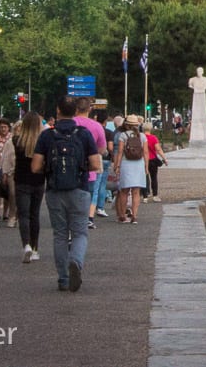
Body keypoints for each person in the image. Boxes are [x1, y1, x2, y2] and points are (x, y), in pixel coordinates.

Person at [30, 96, 100, 292]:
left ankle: (63, 278)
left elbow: (35, 166)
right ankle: (76, 261)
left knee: (60, 234)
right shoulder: (84, 134)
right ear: (76, 111)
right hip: (79, 189)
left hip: (54, 190)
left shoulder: (47, 136)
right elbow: (95, 164)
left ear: (58, 111)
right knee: (79, 233)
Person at [5, 113, 45, 263]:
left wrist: (7, 173)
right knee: (35, 214)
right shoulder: (41, 141)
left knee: (23, 215)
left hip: (21, 181)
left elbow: (8, 160)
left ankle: (26, 245)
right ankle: (35, 249)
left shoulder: (16, 140)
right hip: (38, 180)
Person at [72, 98, 107, 230]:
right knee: (88, 197)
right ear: (90, 109)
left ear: (75, 108)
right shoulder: (96, 126)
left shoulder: (69, 123)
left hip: (67, 169)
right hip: (89, 169)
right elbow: (102, 150)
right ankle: (86, 219)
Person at [112, 116, 148, 224]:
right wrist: (146, 167)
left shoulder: (123, 135)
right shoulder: (142, 136)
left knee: (124, 191)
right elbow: (145, 152)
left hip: (126, 164)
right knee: (136, 191)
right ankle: (134, 215)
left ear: (126, 125)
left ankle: (123, 215)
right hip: (138, 164)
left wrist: (117, 166)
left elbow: (120, 152)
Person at [0, 119, 14, 227]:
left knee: (8, 192)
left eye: (5, 127)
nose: (3, 129)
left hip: (8, 167)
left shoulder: (11, 138)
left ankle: (6, 213)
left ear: (8, 128)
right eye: (1, 127)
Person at [143, 122, 165, 202]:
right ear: (151, 128)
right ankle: (155, 195)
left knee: (144, 178)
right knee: (154, 178)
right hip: (152, 159)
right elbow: (158, 149)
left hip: (143, 160)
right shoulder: (153, 138)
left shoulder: (140, 137)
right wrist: (164, 158)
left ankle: (145, 196)